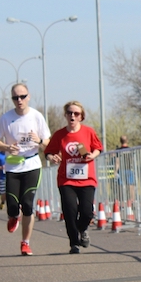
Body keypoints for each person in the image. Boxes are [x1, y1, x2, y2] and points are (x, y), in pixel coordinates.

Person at [0, 83, 51, 256]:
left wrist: (39, 141)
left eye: (22, 96)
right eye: (15, 97)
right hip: (13, 166)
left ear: (28, 97)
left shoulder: (36, 116)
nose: (19, 100)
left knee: (28, 204)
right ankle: (13, 215)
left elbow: (48, 142)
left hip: (32, 164)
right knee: (12, 205)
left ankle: (25, 242)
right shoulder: (6, 118)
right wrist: (6, 147)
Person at [44, 101, 103, 254]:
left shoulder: (88, 132)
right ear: (65, 115)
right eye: (69, 113)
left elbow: (98, 148)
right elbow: (48, 152)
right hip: (66, 179)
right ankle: (74, 243)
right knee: (70, 211)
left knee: (87, 211)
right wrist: (52, 157)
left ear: (81, 117)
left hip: (87, 178)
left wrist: (92, 156)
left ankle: (82, 229)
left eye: (76, 113)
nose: (72, 116)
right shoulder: (60, 134)